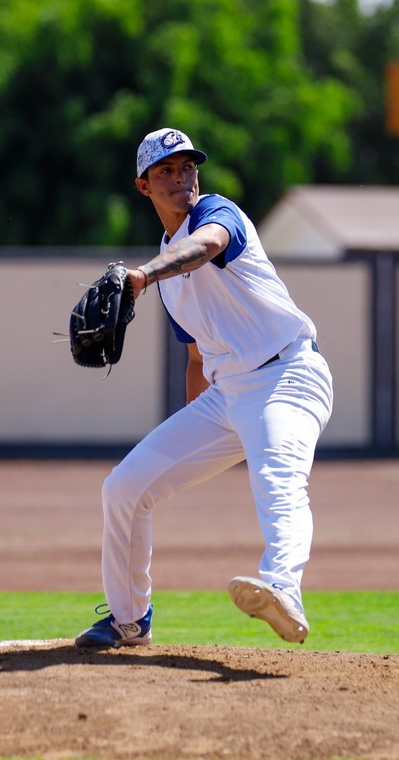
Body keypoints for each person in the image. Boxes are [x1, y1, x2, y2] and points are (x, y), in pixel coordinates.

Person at [74, 127, 334, 649]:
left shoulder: (217, 214)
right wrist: (193, 439)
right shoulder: (167, 270)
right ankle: (129, 619)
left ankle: (284, 590)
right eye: (165, 171)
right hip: (225, 396)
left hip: (287, 375)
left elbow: (206, 247)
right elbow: (197, 355)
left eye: (187, 166)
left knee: (279, 479)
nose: (180, 178)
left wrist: (142, 277)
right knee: (124, 488)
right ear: (143, 187)